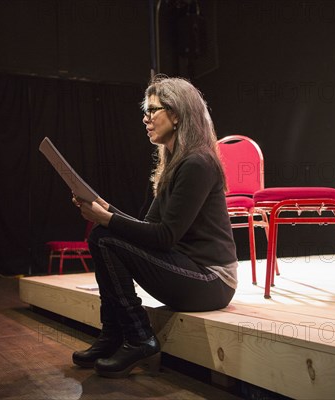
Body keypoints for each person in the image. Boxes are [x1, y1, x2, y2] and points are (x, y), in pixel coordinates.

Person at [71, 75, 238, 379]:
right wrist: (107, 210)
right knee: (103, 236)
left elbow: (164, 237)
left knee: (106, 238)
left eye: (152, 111)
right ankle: (113, 334)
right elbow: (149, 228)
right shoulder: (175, 163)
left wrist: (108, 219)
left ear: (175, 114)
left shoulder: (198, 163)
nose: (145, 119)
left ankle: (138, 337)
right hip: (189, 270)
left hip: (212, 281)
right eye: (144, 112)